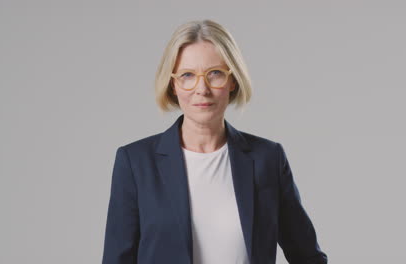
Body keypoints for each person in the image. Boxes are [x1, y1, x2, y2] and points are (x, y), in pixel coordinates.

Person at [102, 19, 328, 264]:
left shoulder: (267, 159)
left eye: (215, 74)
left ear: (233, 80)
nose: (202, 89)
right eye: (188, 75)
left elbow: (308, 257)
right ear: (173, 84)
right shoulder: (136, 163)